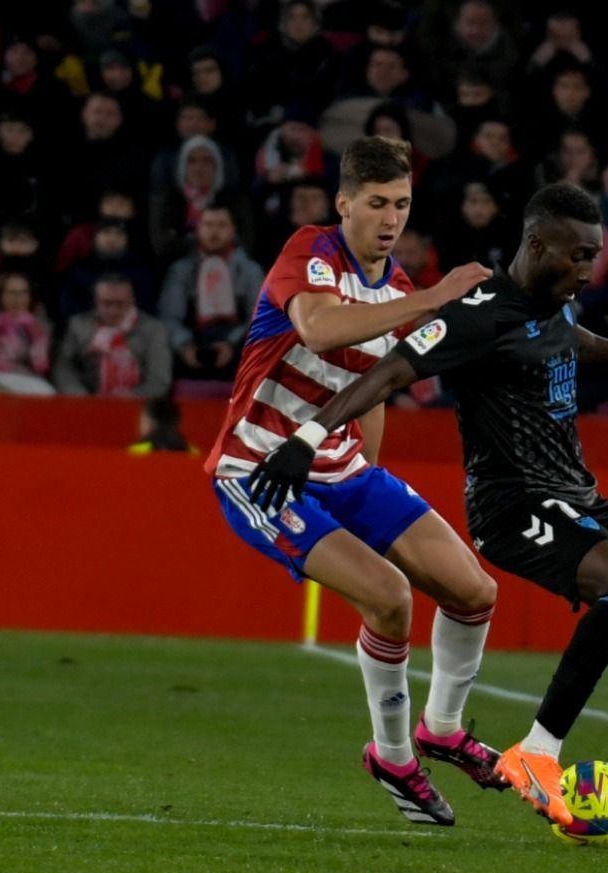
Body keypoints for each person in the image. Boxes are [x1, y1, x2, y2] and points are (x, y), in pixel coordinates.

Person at [248, 183, 608, 854]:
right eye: (578, 256)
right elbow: (389, 374)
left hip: (576, 492)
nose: (588, 270)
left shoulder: (551, 303)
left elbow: (568, 341)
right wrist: (306, 440)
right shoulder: (476, 314)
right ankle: (537, 752)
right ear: (538, 246)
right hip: (513, 503)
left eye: (595, 255)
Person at [207, 135, 503, 827]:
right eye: (375, 203)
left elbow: (372, 394)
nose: (389, 218)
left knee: (474, 591)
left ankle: (442, 728)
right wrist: (434, 299)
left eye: (401, 204)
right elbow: (316, 328)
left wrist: (368, 475)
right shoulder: (309, 253)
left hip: (342, 468)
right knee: (390, 597)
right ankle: (395, 757)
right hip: (259, 472)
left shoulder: (397, 288)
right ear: (344, 204)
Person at [158, 203, 265, 385]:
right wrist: (185, 346)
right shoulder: (181, 270)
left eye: (221, 225)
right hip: (192, 346)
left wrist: (232, 344)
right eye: (208, 225)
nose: (214, 231)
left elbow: (258, 317)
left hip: (238, 347)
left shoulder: (250, 270)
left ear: (233, 230)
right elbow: (170, 316)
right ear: (198, 229)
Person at [54, 274, 173, 398]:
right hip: (89, 402)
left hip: (138, 403)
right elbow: (64, 368)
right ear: (96, 301)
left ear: (132, 301)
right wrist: (82, 397)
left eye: (120, 304)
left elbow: (159, 380)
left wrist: (129, 397)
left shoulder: (153, 330)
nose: (113, 311)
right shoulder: (78, 326)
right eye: (106, 303)